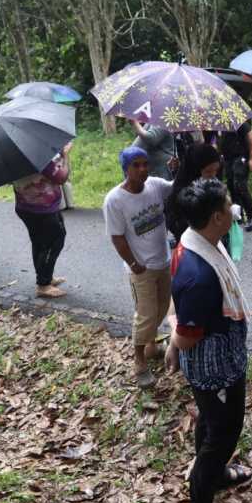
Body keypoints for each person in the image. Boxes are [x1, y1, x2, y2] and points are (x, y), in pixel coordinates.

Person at [166, 178, 252, 503]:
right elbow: (186, 336)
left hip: (222, 360)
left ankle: (214, 473)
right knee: (222, 436)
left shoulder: (195, 242)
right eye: (229, 204)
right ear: (216, 217)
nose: (234, 209)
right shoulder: (199, 275)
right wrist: (172, 341)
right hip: (213, 368)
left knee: (211, 422)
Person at [103, 146, 173, 388]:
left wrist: (178, 170)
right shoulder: (115, 200)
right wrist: (134, 264)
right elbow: (117, 237)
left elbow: (176, 189)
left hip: (164, 261)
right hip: (141, 268)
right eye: (136, 165)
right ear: (126, 169)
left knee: (162, 307)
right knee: (145, 314)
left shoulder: (156, 185)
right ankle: (140, 362)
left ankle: (152, 347)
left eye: (145, 164)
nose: (143, 169)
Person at [13, 143, 71, 299]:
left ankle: (45, 278)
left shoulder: (14, 154)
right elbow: (61, 177)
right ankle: (43, 285)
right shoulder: (38, 154)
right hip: (44, 209)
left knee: (39, 243)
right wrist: (65, 155)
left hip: (25, 207)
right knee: (54, 242)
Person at [166, 144, 222, 242]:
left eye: (216, 170)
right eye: (208, 171)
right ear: (195, 170)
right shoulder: (183, 196)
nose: (213, 176)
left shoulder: (212, 185)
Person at [217, 122, 252, 231]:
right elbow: (220, 140)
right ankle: (238, 215)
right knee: (231, 185)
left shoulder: (240, 122)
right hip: (228, 158)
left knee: (240, 185)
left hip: (241, 157)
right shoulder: (220, 123)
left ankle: (251, 216)